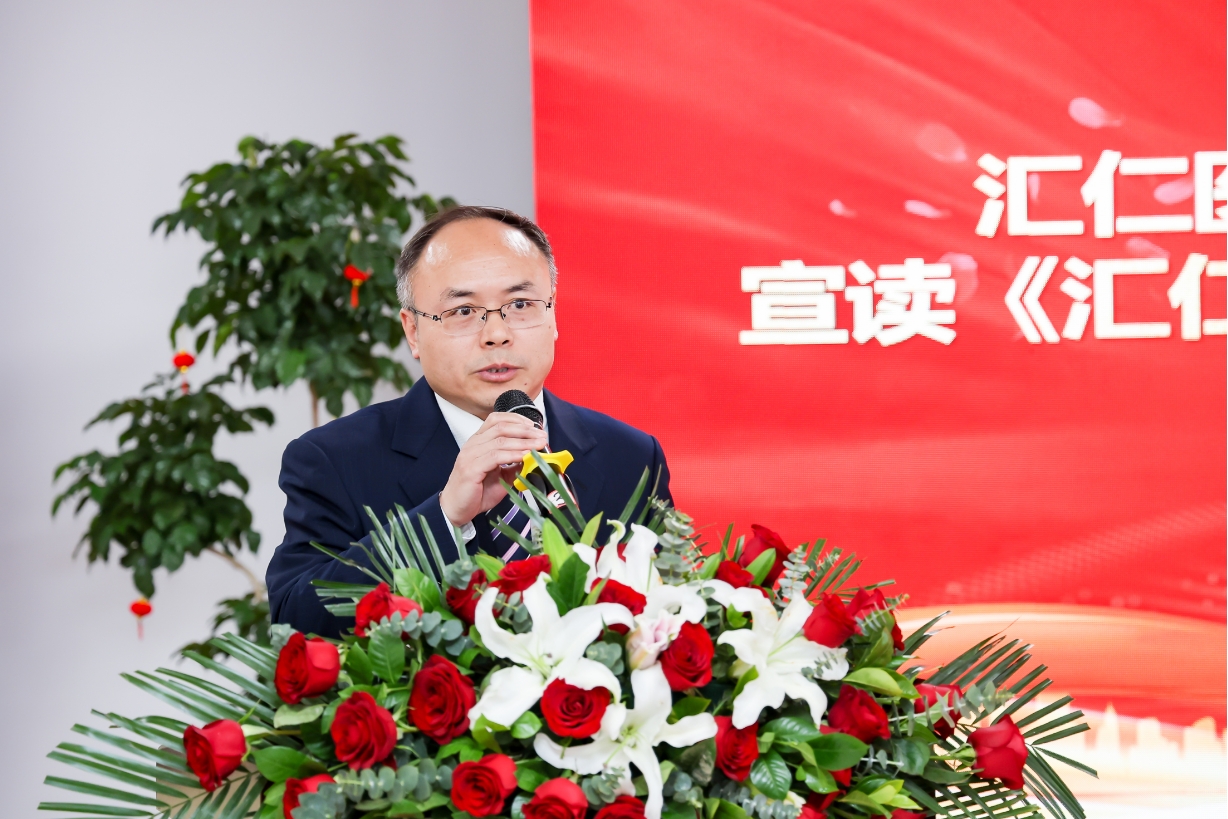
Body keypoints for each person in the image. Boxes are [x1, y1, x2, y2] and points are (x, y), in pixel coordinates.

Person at [265, 206, 671, 637]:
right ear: (413, 331)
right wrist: (443, 518)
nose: (496, 334)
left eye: (520, 304)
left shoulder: (631, 455)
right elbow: (295, 621)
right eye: (462, 311)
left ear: (553, 314)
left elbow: (671, 610)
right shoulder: (334, 459)